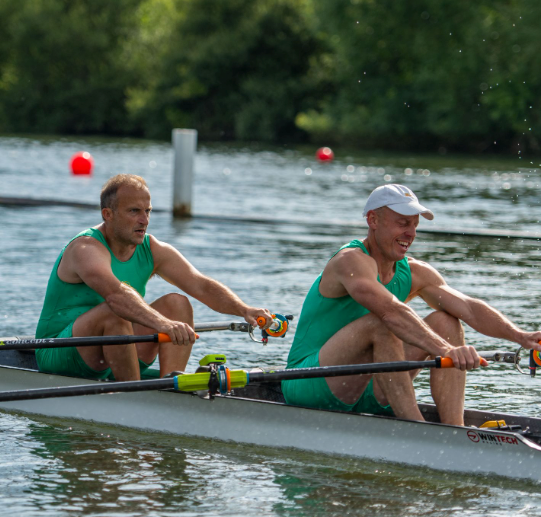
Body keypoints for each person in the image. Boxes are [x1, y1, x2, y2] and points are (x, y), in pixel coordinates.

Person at [281, 184, 541, 425]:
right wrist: (446, 350)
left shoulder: (416, 272)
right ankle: (418, 429)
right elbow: (391, 311)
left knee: (445, 320)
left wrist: (521, 336)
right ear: (373, 220)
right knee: (381, 324)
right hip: (308, 383)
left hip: (373, 386)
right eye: (402, 223)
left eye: (415, 225)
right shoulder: (350, 262)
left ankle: (455, 432)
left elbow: (470, 308)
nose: (411, 233)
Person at [35, 174, 272, 381]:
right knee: (114, 313)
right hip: (61, 352)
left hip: (117, 350)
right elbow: (117, 295)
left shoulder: (152, 249)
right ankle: (132, 400)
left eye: (147, 211)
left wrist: (244, 310)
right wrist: (164, 325)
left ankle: (171, 385)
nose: (144, 220)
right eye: (134, 211)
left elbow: (200, 285)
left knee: (176, 303)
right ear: (108, 214)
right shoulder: (85, 249)